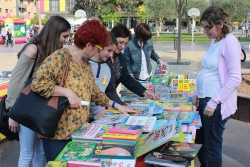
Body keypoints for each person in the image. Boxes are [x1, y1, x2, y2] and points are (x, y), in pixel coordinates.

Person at [31, 19, 137, 161]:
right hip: (57, 133)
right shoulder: (60, 57)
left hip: (79, 132)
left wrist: (117, 106)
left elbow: (95, 92)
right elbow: (38, 83)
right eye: (99, 48)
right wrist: (67, 93)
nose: (104, 53)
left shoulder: (85, 64)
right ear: (88, 45)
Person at [6, 15, 72, 167]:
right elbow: (16, 80)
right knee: (27, 153)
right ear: (55, 32)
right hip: (27, 107)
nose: (66, 40)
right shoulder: (33, 49)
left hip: (41, 109)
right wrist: (12, 112)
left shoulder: (54, 51)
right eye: (65, 36)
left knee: (40, 153)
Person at [192, 6, 242, 167]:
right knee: (200, 142)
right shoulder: (215, 41)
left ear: (220, 24)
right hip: (205, 100)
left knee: (212, 147)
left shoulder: (230, 42)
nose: (205, 31)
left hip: (215, 104)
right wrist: (197, 93)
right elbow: (208, 70)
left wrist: (214, 102)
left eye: (208, 27)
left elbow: (235, 78)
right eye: (204, 26)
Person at [107, 24, 159, 105]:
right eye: (120, 42)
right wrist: (121, 105)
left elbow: (126, 78)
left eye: (125, 44)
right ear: (112, 39)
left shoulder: (120, 58)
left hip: (110, 102)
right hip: (101, 103)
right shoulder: (103, 57)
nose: (122, 46)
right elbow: (108, 90)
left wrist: (145, 92)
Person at [88, 32, 123, 118]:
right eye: (109, 50)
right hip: (84, 117)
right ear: (100, 46)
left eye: (113, 52)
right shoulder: (85, 64)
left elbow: (111, 92)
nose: (111, 55)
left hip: (100, 116)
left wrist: (122, 105)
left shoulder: (108, 66)